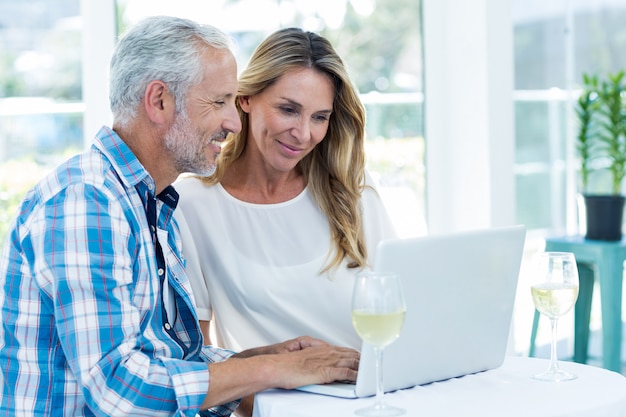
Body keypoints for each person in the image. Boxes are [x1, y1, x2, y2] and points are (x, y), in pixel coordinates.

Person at [0, 16, 359, 417]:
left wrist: (261, 359)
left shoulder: (147, 202)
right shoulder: (86, 203)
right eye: (219, 101)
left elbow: (162, 359)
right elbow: (120, 391)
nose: (233, 123)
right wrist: (271, 369)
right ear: (159, 101)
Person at [175, 27, 396, 353]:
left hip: (371, 397)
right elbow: (197, 358)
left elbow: (400, 304)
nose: (303, 134)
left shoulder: (352, 189)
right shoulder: (193, 204)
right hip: (273, 403)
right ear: (245, 99)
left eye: (320, 117)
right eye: (288, 110)